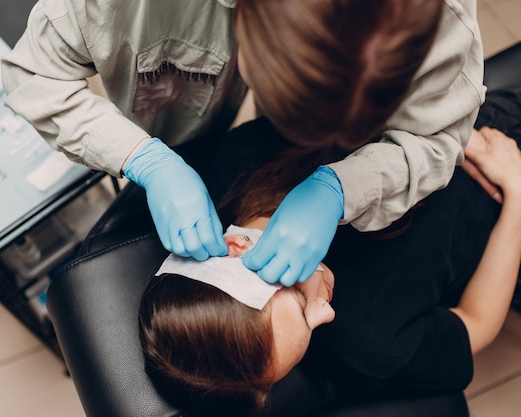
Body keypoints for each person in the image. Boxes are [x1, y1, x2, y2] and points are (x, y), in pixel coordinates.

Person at [1, 0, 484, 286]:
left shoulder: (439, 16)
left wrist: (345, 186)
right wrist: (143, 158)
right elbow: (35, 76)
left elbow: (436, 138)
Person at [138, 86, 521, 415]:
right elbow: (478, 320)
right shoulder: (375, 344)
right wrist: (517, 193)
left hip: (464, 120)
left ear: (237, 245)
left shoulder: (242, 158)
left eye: (302, 306)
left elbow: (363, 88)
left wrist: (444, 131)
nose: (327, 313)